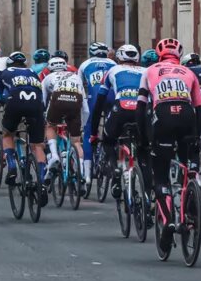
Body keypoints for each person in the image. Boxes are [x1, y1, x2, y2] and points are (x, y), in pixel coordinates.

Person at [137, 38, 201, 251]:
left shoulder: (149, 71)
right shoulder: (189, 73)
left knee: (161, 173)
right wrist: (197, 136)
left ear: (159, 54)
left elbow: (140, 109)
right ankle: (193, 185)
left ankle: (168, 221)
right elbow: (200, 109)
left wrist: (143, 139)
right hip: (187, 116)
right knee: (188, 161)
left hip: (163, 115)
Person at [90, 44, 145, 197]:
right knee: (144, 145)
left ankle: (114, 168)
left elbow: (99, 103)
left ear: (119, 57)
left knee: (108, 140)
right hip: (141, 111)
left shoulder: (112, 70)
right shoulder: (146, 71)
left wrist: (94, 133)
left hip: (121, 108)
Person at [0, 51, 47, 199]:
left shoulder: (5, 73)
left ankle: (12, 165)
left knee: (7, 134)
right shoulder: (32, 72)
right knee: (37, 145)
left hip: (15, 103)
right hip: (36, 105)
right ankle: (42, 182)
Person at [41, 56, 87, 183]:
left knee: (50, 126)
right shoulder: (76, 77)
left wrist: (44, 117)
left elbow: (42, 101)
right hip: (75, 100)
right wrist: (82, 125)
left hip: (58, 98)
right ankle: (81, 172)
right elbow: (86, 108)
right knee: (76, 141)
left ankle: (54, 156)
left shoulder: (47, 78)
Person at [79, 42, 116, 182]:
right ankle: (108, 160)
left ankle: (87, 174)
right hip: (112, 98)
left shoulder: (85, 64)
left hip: (94, 99)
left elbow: (79, 86)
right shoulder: (113, 63)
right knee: (112, 129)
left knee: (89, 132)